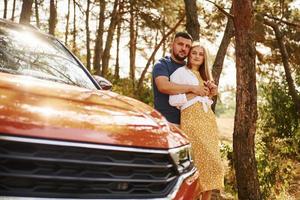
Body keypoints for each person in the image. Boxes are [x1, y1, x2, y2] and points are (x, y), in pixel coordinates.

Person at [169, 43, 224, 200]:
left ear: (204, 58)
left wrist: (211, 93)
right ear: (189, 55)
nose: (197, 56)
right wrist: (195, 92)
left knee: (212, 165)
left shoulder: (205, 76)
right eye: (194, 53)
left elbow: (205, 98)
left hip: (208, 121)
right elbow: (173, 100)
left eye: (201, 54)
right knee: (199, 163)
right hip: (192, 119)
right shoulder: (180, 73)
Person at [152, 32, 209, 125]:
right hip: (165, 122)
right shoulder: (162, 64)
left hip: (187, 123)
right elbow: (163, 86)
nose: (183, 48)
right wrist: (193, 88)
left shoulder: (190, 68)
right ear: (172, 44)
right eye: (180, 44)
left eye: (187, 46)